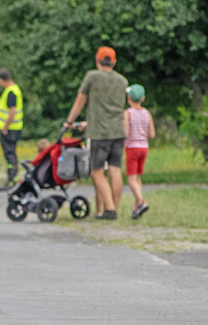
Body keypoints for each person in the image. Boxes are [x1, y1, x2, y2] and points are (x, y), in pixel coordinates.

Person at [64, 46, 128, 220]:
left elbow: (80, 101)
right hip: (118, 130)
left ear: (97, 60)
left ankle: (109, 209)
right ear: (113, 62)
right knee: (115, 169)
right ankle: (115, 207)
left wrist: (70, 122)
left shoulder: (92, 77)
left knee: (97, 171)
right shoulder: (122, 81)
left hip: (100, 132)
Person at [124, 84, 155, 219]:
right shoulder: (147, 113)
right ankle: (136, 209)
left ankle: (141, 202)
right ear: (143, 98)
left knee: (131, 179)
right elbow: (152, 134)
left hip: (132, 148)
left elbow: (125, 132)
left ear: (128, 98)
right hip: (144, 147)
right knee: (137, 178)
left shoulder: (128, 113)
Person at [0, 69, 24, 191]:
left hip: (10, 129)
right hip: (14, 128)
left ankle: (12, 181)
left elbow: (13, 111)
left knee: (10, 155)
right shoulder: (14, 89)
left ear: (2, 79)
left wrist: (5, 126)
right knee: (11, 154)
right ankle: (12, 179)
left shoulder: (11, 92)